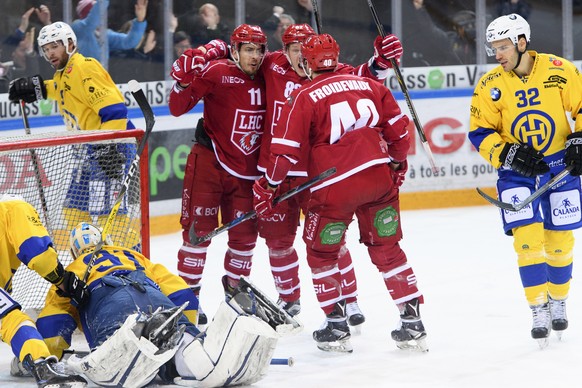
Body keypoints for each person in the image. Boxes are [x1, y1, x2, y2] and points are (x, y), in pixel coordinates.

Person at [253, 33, 428, 353]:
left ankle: (335, 323)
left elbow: (285, 152)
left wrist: (268, 186)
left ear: (307, 62)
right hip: (379, 180)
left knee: (321, 252)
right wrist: (398, 164)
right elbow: (400, 131)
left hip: (335, 187)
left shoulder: (304, 96)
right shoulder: (371, 86)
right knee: (388, 249)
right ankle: (412, 320)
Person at [34, 222, 293, 387]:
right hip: (153, 294)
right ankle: (235, 320)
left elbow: (53, 322)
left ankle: (141, 338)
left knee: (118, 372)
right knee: (195, 359)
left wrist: (47, 354)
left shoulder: (72, 270)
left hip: (110, 302)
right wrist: (188, 329)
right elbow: (181, 294)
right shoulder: (132, 255)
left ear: (74, 252)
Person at [468, 14, 582, 348]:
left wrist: (580, 139)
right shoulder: (490, 85)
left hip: (559, 166)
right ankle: (537, 309)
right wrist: (507, 154)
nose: (497, 54)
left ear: (521, 42)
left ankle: (558, 299)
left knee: (559, 242)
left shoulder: (560, 70)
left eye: (503, 47)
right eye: (493, 48)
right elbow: (479, 132)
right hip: (516, 172)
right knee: (528, 242)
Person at [169, 25, 266, 324]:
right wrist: (183, 81)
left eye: (260, 49)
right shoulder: (216, 72)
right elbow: (176, 107)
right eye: (249, 49)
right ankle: (188, 301)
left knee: (245, 238)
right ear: (235, 50)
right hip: (209, 163)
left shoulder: (269, 74)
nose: (256, 56)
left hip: (247, 172)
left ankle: (236, 294)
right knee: (197, 234)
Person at [8, 21, 136, 237]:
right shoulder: (63, 73)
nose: (50, 53)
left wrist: (109, 147)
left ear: (70, 44)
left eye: (54, 46)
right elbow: (61, 89)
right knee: (73, 210)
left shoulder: (85, 67)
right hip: (92, 147)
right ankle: (87, 256)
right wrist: (37, 88)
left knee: (110, 213)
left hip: (113, 147)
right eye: (46, 49)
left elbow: (114, 111)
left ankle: (126, 259)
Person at [0, 194, 88, 387]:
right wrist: (63, 280)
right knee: (12, 320)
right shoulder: (15, 206)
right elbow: (38, 254)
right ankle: (42, 365)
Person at [72, 0, 148, 65]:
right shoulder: (78, 28)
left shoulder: (104, 34)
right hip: (81, 79)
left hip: (99, 78)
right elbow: (92, 21)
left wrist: (140, 20)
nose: (103, 16)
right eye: (101, 13)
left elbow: (129, 42)